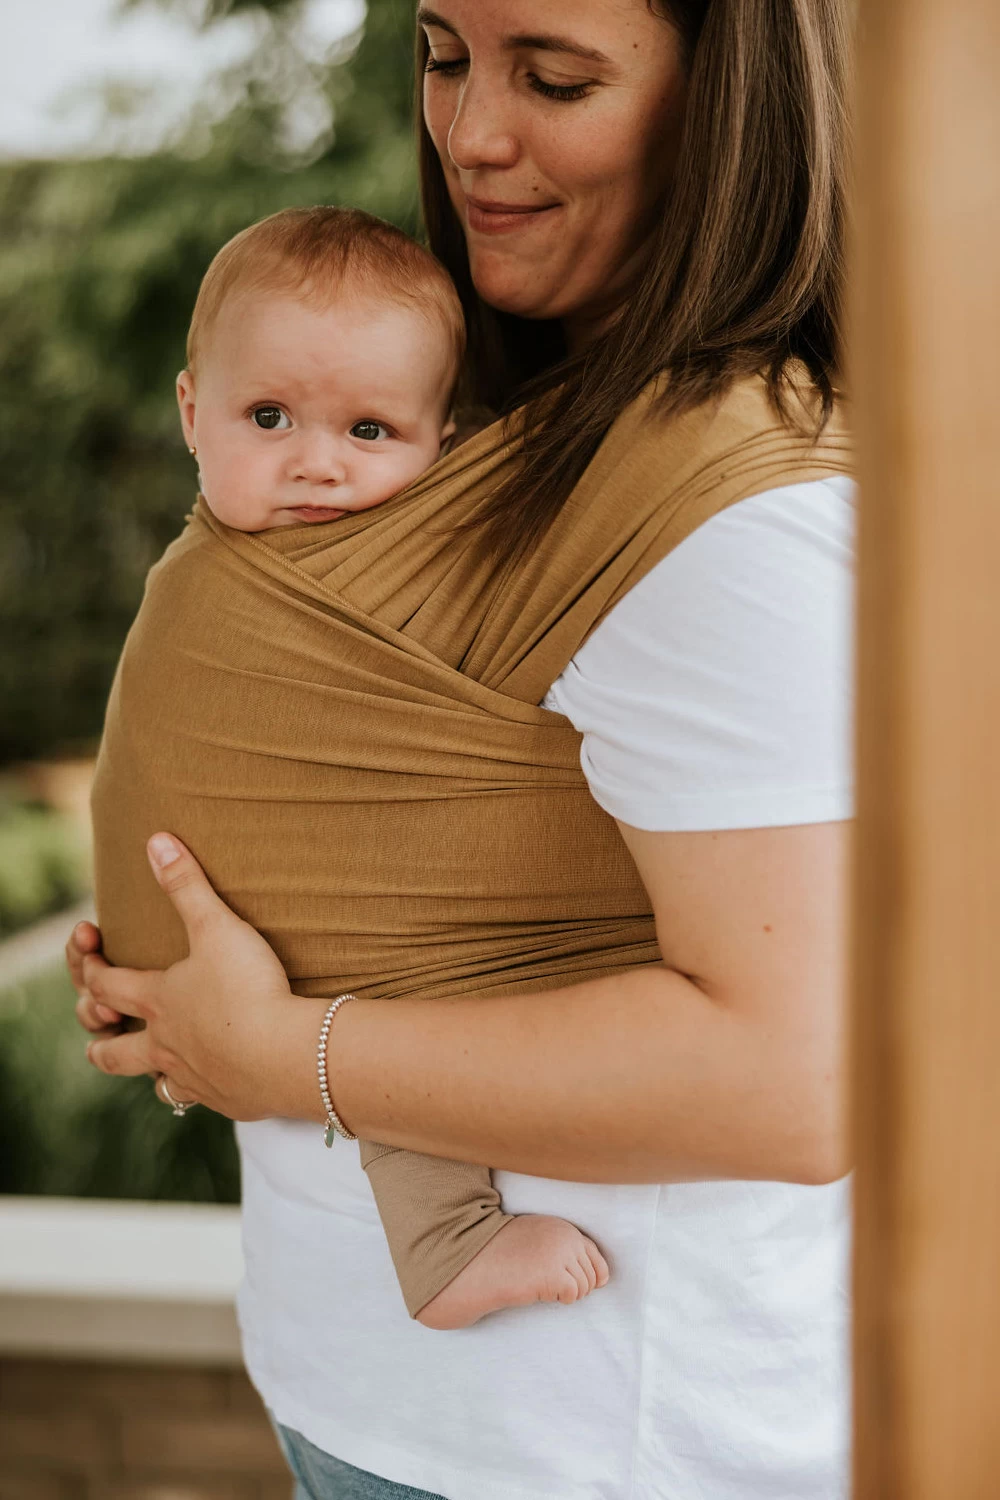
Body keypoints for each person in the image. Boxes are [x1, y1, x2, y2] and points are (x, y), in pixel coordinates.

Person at [69, 2, 855, 1497]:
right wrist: (181, 997)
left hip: (589, 1435)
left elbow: (795, 1079)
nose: (472, 135)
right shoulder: (510, 410)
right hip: (369, 1393)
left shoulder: (737, 517)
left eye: (553, 76)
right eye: (442, 57)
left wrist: (273, 1050)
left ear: (729, 101)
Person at [93, 201, 612, 1329]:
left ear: (447, 452)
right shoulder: (199, 580)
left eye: (369, 430)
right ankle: (450, 1243)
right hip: (233, 964)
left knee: (411, 978)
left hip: (353, 960)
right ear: (191, 412)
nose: (316, 464)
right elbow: (161, 743)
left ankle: (442, 1237)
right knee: (402, 981)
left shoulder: (439, 558)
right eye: (268, 416)